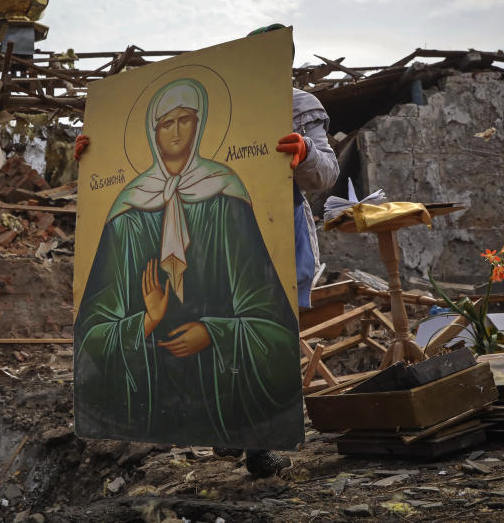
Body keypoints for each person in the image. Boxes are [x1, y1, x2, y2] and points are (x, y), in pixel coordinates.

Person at [74, 26, 340, 477]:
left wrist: (307, 152)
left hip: (267, 233)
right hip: (167, 272)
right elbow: (100, 308)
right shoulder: (133, 205)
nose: (176, 132)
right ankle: (201, 429)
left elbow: (326, 173)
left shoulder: (296, 105)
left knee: (268, 323)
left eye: (187, 120)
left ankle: (255, 443)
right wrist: (93, 158)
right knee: (175, 333)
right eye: (165, 122)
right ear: (151, 131)